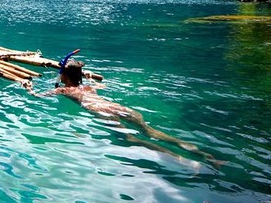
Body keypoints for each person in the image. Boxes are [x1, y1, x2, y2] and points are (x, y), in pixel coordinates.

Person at [26, 55, 222, 167]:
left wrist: (28, 87)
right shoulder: (90, 87)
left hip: (101, 111)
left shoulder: (64, 89)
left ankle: (184, 162)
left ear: (65, 76)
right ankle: (204, 154)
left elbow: (38, 96)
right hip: (117, 106)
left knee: (131, 140)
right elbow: (97, 82)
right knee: (151, 132)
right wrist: (85, 76)